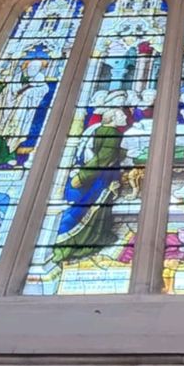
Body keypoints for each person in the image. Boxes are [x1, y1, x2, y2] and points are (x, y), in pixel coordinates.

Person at [53, 108, 129, 264]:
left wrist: (120, 153)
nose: (125, 116)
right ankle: (83, 239)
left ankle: (99, 235)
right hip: (102, 174)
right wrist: (82, 176)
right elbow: (103, 158)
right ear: (113, 118)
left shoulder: (101, 130)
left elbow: (104, 153)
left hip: (102, 172)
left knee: (97, 205)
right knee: (94, 204)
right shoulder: (113, 134)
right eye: (121, 115)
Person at [0, 59, 50, 168]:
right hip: (3, 106)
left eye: (36, 68)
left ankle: (8, 157)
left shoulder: (39, 82)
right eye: (31, 67)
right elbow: (1, 89)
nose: (33, 70)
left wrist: (29, 90)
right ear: (26, 67)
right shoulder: (16, 77)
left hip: (18, 111)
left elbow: (43, 90)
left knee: (12, 133)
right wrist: (6, 85)